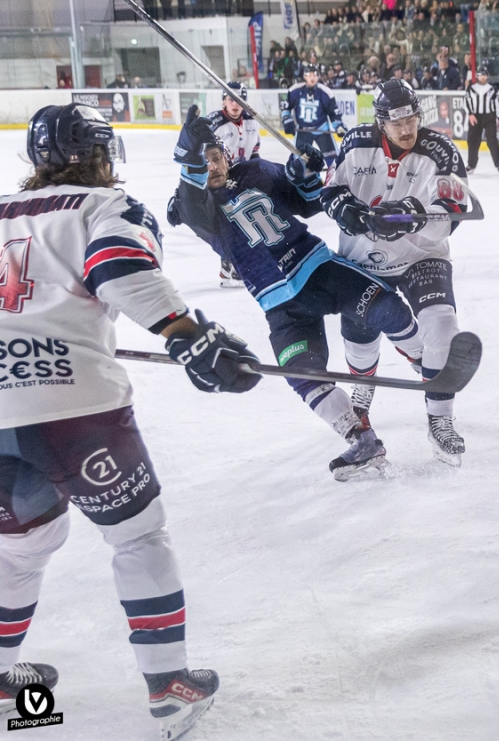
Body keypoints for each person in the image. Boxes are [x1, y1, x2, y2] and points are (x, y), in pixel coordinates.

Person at [0, 104, 260, 735]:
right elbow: (119, 269)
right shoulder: (101, 208)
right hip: (78, 411)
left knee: (22, 547)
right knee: (137, 536)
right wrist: (187, 333)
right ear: (100, 153)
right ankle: (169, 686)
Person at [168, 108, 424, 479]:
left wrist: (304, 170)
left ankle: (423, 360)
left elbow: (306, 199)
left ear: (226, 155)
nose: (212, 166)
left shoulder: (254, 172)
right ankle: (362, 440)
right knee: (301, 373)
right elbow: (188, 201)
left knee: (387, 309)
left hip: (317, 268)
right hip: (280, 305)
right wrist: (188, 153)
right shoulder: (199, 209)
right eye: (202, 162)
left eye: (215, 157)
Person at [320, 80, 470, 465]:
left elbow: (450, 215)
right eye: (396, 122)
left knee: (442, 326)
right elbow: (330, 192)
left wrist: (407, 217)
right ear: (380, 122)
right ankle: (363, 389)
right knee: (358, 338)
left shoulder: (441, 151)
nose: (407, 130)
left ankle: (440, 420)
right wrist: (343, 210)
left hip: (421, 255)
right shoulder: (355, 143)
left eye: (412, 119)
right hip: (364, 259)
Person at [204, 82, 261, 287]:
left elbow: (254, 149)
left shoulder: (251, 121)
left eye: (239, 100)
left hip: (243, 177)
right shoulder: (213, 122)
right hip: (221, 179)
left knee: (244, 221)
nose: (235, 104)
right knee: (231, 223)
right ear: (224, 101)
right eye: (231, 99)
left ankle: (229, 266)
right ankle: (233, 265)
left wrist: (257, 171)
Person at [280, 64, 346, 168]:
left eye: (314, 75)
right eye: (309, 75)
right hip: (303, 131)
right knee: (299, 161)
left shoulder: (325, 92)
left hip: (322, 129)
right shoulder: (295, 91)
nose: (312, 78)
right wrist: (286, 119)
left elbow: (333, 113)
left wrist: (339, 126)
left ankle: (335, 181)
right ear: (304, 76)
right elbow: (285, 107)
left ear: (318, 77)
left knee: (333, 161)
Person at [465, 64, 499, 174]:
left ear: (488, 76)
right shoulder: (471, 88)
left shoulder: (492, 89)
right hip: (475, 116)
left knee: (492, 140)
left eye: (484, 75)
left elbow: (498, 104)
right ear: (477, 76)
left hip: (489, 116)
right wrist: (470, 114)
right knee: (472, 141)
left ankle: (498, 163)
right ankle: (471, 165)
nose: (482, 77)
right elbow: (467, 102)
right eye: (480, 75)